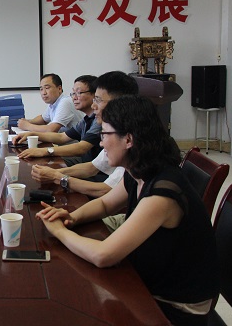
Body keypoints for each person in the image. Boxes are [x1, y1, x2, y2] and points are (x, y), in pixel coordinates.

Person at [36, 95, 219, 326]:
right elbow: (105, 204)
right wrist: (72, 217)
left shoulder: (163, 191)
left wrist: (59, 232)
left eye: (105, 134)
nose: (101, 144)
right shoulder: (139, 170)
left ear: (129, 139)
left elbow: (103, 255)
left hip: (174, 306)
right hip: (152, 281)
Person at [29, 71, 139, 195]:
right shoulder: (100, 123)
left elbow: (105, 190)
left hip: (100, 182)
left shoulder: (127, 137)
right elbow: (91, 167)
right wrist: (55, 173)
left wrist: (57, 176)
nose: (93, 105)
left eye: (98, 100)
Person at [14, 75, 100, 165]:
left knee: (43, 164)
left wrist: (45, 151)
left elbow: (81, 148)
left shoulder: (99, 120)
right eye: (73, 93)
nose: (74, 98)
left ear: (95, 95)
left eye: (78, 93)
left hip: (86, 162)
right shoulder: (86, 119)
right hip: (83, 160)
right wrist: (32, 134)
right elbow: (61, 137)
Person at [17, 73, 82, 133]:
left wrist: (27, 126)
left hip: (76, 141)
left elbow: (51, 130)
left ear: (59, 88)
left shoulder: (65, 102)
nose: (44, 93)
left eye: (47, 88)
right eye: (41, 89)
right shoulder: (53, 103)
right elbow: (43, 119)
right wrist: (28, 122)